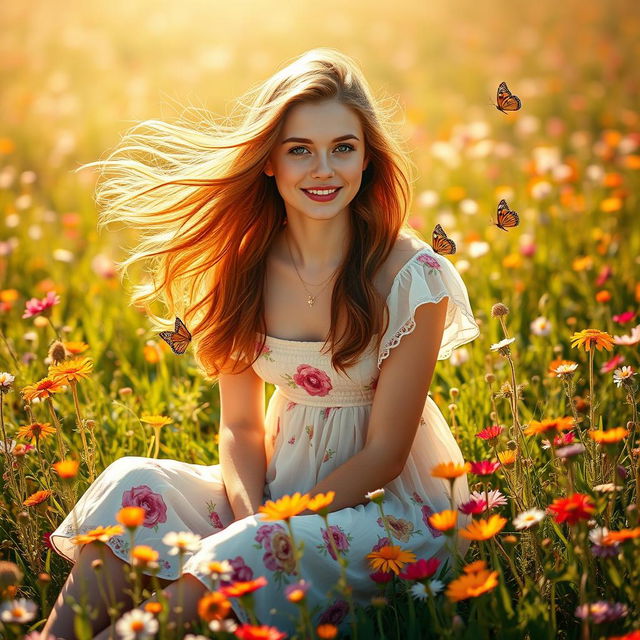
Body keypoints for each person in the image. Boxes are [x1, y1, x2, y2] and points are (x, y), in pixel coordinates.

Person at [42, 47, 480, 639]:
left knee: (254, 544)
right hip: (277, 488)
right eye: (300, 150)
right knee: (133, 480)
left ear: (367, 158)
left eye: (342, 148)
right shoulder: (242, 265)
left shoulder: (409, 277)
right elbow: (240, 428)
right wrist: (253, 517)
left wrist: (265, 529)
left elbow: (386, 455)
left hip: (390, 512)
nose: (323, 169)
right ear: (269, 162)